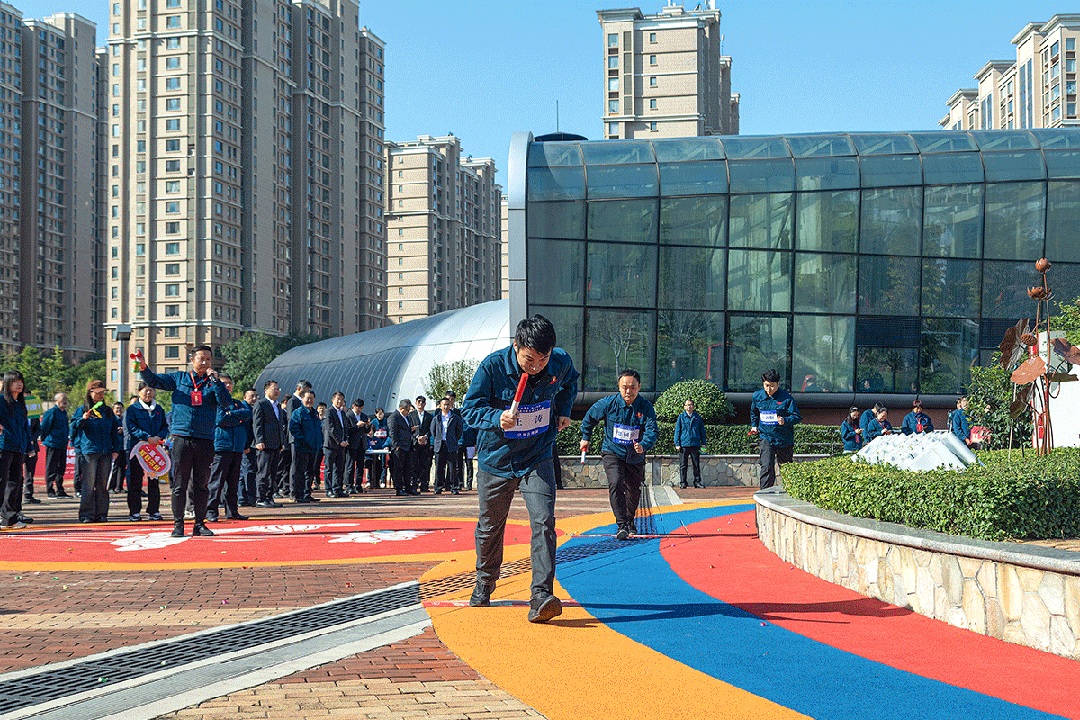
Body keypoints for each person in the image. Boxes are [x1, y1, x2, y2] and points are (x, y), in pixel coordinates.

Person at [462, 315, 578, 624]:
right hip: (497, 460)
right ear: (516, 346)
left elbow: (570, 382)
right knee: (490, 526)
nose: (536, 366)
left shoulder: (560, 362)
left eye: (543, 359)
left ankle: (541, 596)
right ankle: (485, 582)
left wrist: (564, 410)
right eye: (530, 359)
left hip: (537, 456)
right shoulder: (492, 367)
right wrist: (496, 418)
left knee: (544, 521)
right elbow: (469, 409)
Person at [136, 344, 233, 537]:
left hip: (205, 439)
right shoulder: (179, 378)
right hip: (181, 438)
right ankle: (178, 524)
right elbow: (154, 380)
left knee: (201, 485)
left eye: (208, 359)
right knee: (179, 484)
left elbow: (226, 403)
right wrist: (144, 367)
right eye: (201, 358)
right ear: (192, 360)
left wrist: (216, 382)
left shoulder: (213, 383)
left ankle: (200, 524)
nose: (205, 362)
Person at [580, 369, 658, 541]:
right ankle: (622, 524)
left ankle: (629, 520)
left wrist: (644, 444)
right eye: (624, 387)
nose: (628, 391)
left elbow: (652, 430)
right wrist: (586, 437)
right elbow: (590, 417)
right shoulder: (608, 403)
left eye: (632, 387)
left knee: (633, 491)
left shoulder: (645, 407)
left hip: (635, 456)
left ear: (639, 387)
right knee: (615, 483)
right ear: (619, 387)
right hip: (612, 451)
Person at [72, 380, 122, 523]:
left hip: (106, 452)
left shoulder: (108, 411)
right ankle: (86, 514)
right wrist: (83, 419)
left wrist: (116, 449)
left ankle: (101, 514)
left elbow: (114, 432)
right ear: (90, 393)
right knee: (88, 484)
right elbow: (74, 427)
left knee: (102, 485)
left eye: (102, 393)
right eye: (97, 392)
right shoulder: (82, 410)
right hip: (89, 452)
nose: (100, 395)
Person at [207, 373, 252, 521]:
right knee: (217, 481)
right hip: (222, 446)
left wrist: (231, 414)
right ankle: (211, 511)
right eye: (224, 383)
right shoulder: (214, 402)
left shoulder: (237, 403)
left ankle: (232, 511)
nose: (227, 386)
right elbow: (220, 419)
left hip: (237, 447)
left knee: (233, 482)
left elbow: (247, 414)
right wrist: (237, 419)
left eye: (229, 383)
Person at [750, 369, 801, 490]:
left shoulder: (787, 398)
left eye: (772, 386)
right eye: (766, 385)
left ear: (778, 384)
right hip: (766, 437)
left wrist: (785, 420)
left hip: (784, 439)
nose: (769, 389)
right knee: (766, 466)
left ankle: (790, 491)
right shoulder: (757, 396)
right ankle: (765, 493)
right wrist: (754, 425)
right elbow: (754, 412)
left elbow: (797, 417)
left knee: (787, 468)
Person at [124, 382, 169, 521]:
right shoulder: (132, 409)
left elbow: (164, 427)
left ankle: (153, 511)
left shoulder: (158, 409)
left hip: (154, 450)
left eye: (151, 390)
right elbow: (131, 428)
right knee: (135, 480)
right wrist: (147, 437)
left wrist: (158, 437)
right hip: (137, 450)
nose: (148, 393)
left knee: (154, 481)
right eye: (145, 390)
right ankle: (134, 512)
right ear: (139, 392)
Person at [0, 371, 31, 530]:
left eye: (21, 381)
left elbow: (25, 427)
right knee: (1, 481)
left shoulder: (20, 404)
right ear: (7, 383)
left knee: (15, 483)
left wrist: (29, 446)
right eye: (15, 381)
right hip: (3, 446)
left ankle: (10, 518)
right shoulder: (1, 400)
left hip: (19, 447)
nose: (19, 384)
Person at [252, 379, 284, 509]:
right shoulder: (261, 404)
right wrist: (259, 440)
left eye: (277, 389)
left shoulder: (278, 406)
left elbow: (280, 425)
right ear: (266, 390)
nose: (276, 391)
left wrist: (281, 442)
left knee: (273, 473)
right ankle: (260, 498)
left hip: (276, 444)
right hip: (264, 444)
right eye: (273, 389)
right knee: (263, 473)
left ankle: (269, 497)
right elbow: (257, 424)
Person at [289, 389, 321, 503]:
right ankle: (298, 495)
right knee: (300, 472)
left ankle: (307, 493)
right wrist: (303, 441)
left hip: (314, 447)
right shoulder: (298, 412)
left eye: (312, 398)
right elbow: (294, 428)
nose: (310, 401)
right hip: (302, 447)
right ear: (302, 399)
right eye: (307, 398)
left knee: (310, 472)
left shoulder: (315, 413)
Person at [40, 393, 71, 498]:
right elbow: (44, 427)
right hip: (53, 443)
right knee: (51, 468)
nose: (65, 400)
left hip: (62, 444)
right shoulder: (51, 412)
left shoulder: (64, 413)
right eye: (63, 398)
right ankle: (50, 490)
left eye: (66, 398)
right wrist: (45, 439)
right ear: (56, 400)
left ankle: (60, 489)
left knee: (61, 468)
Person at [432, 396, 464, 495]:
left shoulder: (455, 418)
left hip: (451, 445)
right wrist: (438, 440)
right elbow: (433, 431)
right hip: (440, 445)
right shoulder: (436, 418)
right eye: (444, 405)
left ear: (450, 405)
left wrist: (454, 440)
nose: (445, 407)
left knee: (452, 468)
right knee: (439, 468)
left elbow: (459, 431)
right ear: (440, 406)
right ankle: (438, 487)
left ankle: (454, 487)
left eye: (447, 405)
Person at [388, 399, 418, 496]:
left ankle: (408, 487)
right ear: (401, 408)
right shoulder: (394, 417)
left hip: (408, 446)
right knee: (398, 468)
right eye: (407, 410)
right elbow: (392, 432)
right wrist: (396, 445)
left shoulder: (407, 417)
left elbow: (406, 429)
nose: (408, 412)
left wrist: (411, 430)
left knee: (408, 468)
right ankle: (399, 488)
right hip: (399, 446)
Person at [323, 392, 350, 498]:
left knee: (339, 468)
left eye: (342, 399)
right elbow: (330, 429)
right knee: (329, 468)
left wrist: (346, 439)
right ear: (333, 400)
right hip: (331, 444)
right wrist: (339, 441)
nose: (339, 401)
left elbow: (345, 428)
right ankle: (329, 489)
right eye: (338, 399)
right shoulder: (329, 412)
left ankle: (338, 489)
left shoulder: (342, 413)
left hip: (341, 446)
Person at [674, 398, 706, 489]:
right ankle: (683, 482)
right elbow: (677, 431)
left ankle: (697, 482)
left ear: (693, 406)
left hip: (695, 444)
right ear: (684, 407)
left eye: (691, 405)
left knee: (696, 464)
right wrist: (677, 443)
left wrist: (703, 443)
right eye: (687, 405)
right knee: (683, 465)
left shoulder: (697, 417)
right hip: (684, 444)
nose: (689, 407)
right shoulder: (681, 417)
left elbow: (702, 431)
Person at [238, 389, 258, 507]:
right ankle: (249, 498)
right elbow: (245, 429)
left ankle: (243, 498)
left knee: (244, 472)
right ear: (244, 397)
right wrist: (245, 445)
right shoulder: (244, 409)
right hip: (248, 445)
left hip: (249, 444)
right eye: (251, 396)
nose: (254, 398)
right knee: (248, 472)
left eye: (256, 396)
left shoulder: (251, 408)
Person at [409, 396, 434, 492]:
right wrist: (417, 437)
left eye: (422, 402)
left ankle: (424, 485)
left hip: (425, 444)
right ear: (416, 403)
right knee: (414, 465)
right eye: (419, 401)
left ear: (425, 404)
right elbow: (409, 428)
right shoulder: (411, 415)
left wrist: (425, 436)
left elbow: (431, 429)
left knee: (425, 465)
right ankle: (414, 485)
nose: (420, 403)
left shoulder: (429, 416)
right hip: (415, 444)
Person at [345, 399, 369, 493]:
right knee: (350, 466)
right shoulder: (348, 416)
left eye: (361, 408)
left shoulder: (363, 416)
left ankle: (358, 485)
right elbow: (347, 430)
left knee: (360, 466)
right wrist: (357, 426)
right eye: (358, 408)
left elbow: (366, 431)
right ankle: (349, 486)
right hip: (352, 444)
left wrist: (368, 426)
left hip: (361, 444)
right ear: (353, 406)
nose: (360, 410)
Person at [107, 401, 127, 494]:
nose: (118, 410)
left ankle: (120, 487)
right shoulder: (111, 419)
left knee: (122, 467)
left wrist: (124, 429)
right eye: (116, 408)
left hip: (123, 446)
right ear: (113, 410)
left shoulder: (124, 419)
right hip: (115, 447)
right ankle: (111, 487)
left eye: (120, 408)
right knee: (114, 468)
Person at [368, 407, 389, 489]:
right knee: (372, 463)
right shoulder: (373, 422)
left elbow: (388, 434)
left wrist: (385, 445)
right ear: (375, 414)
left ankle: (382, 480)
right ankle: (370, 481)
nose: (380, 415)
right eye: (378, 414)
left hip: (383, 445)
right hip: (375, 447)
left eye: (381, 413)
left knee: (383, 463)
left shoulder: (386, 421)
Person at [22, 414, 41, 505]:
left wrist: (32, 439)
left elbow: (38, 429)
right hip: (20, 446)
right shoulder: (18, 412)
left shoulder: (34, 415)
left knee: (30, 472)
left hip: (33, 447)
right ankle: (15, 496)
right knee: (16, 472)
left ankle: (28, 495)